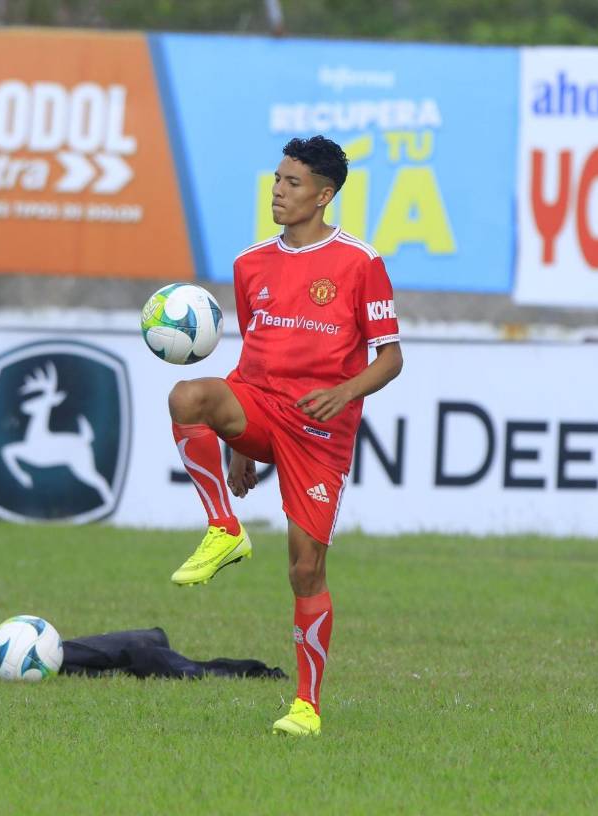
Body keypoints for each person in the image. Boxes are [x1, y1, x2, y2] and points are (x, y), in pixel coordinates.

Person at [166, 135, 402, 736]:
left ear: (324, 195)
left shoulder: (360, 262)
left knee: (305, 571)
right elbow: (251, 357)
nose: (278, 191)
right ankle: (224, 528)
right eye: (276, 179)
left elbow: (391, 358)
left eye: (293, 183)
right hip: (263, 407)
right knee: (188, 396)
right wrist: (233, 445)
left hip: (321, 430)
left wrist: (346, 392)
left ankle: (305, 706)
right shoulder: (250, 264)